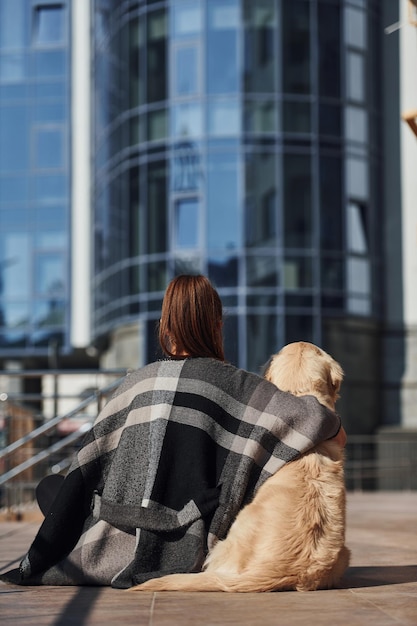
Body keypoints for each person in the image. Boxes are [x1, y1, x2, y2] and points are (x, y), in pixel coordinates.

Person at [0, 275, 344, 588]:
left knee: (55, 490)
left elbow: (87, 469)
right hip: (196, 538)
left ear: (164, 326)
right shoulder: (244, 387)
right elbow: (320, 420)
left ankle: (104, 539)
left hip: (120, 537)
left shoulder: (134, 384)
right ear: (218, 326)